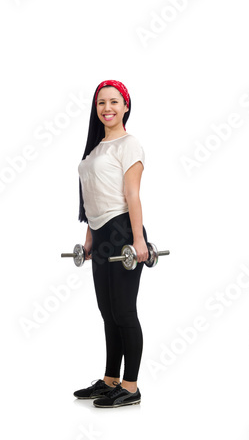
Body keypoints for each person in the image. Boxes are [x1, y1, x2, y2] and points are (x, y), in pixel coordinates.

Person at [71, 80, 149, 408]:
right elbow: (91, 196)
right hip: (101, 234)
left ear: (126, 106)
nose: (107, 108)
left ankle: (130, 386)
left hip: (121, 231)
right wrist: (89, 238)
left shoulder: (129, 144)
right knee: (107, 311)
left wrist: (138, 239)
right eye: (102, 102)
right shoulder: (95, 148)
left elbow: (131, 194)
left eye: (114, 102)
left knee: (124, 311)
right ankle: (110, 379)